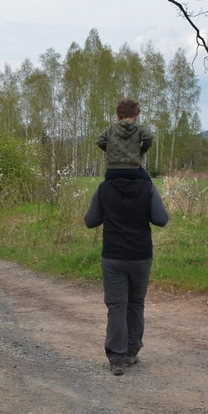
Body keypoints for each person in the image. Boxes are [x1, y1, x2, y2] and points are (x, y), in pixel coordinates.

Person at [84, 174, 169, 375]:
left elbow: (90, 221)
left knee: (116, 306)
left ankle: (117, 359)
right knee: (136, 303)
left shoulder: (104, 188)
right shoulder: (147, 187)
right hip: (140, 256)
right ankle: (131, 352)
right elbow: (161, 219)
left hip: (113, 256)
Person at [96, 98, 153, 182]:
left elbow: (100, 141)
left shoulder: (111, 128)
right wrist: (141, 151)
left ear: (118, 116)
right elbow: (149, 137)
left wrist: (112, 151)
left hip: (112, 171)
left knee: (103, 190)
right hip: (134, 170)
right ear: (136, 116)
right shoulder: (138, 128)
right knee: (149, 185)